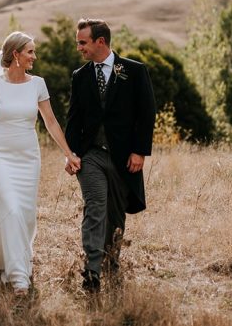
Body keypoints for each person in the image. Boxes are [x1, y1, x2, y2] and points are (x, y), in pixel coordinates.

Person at [0, 31, 81, 294]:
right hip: (0, 154)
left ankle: (0, 256)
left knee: (25, 214)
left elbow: (51, 121)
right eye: (30, 51)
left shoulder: (38, 84)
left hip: (28, 156)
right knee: (11, 207)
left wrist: (68, 152)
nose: (34, 56)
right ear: (16, 54)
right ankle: (18, 274)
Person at [64, 18, 156, 292]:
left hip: (123, 157)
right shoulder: (79, 76)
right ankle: (91, 273)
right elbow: (73, 119)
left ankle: (110, 264)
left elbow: (147, 113)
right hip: (90, 155)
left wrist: (140, 151)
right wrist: (71, 153)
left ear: (100, 42)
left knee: (115, 216)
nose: (79, 47)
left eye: (83, 42)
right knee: (95, 208)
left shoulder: (134, 70)